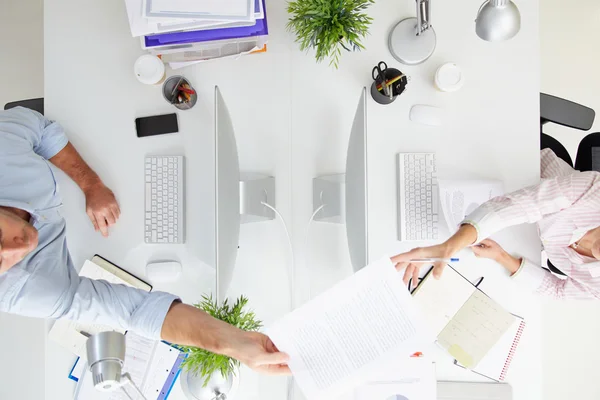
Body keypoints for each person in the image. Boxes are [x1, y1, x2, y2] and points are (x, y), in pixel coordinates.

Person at [0, 107, 290, 375]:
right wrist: (235, 344)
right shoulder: (31, 292)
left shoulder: (4, 148)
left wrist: (91, 183)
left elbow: (40, 129)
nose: (19, 248)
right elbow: (135, 311)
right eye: (1, 262)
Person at [392, 148, 600, 300]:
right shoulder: (596, 192)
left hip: (524, 228)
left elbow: (558, 291)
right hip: (522, 166)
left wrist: (501, 257)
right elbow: (523, 205)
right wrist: (449, 246)